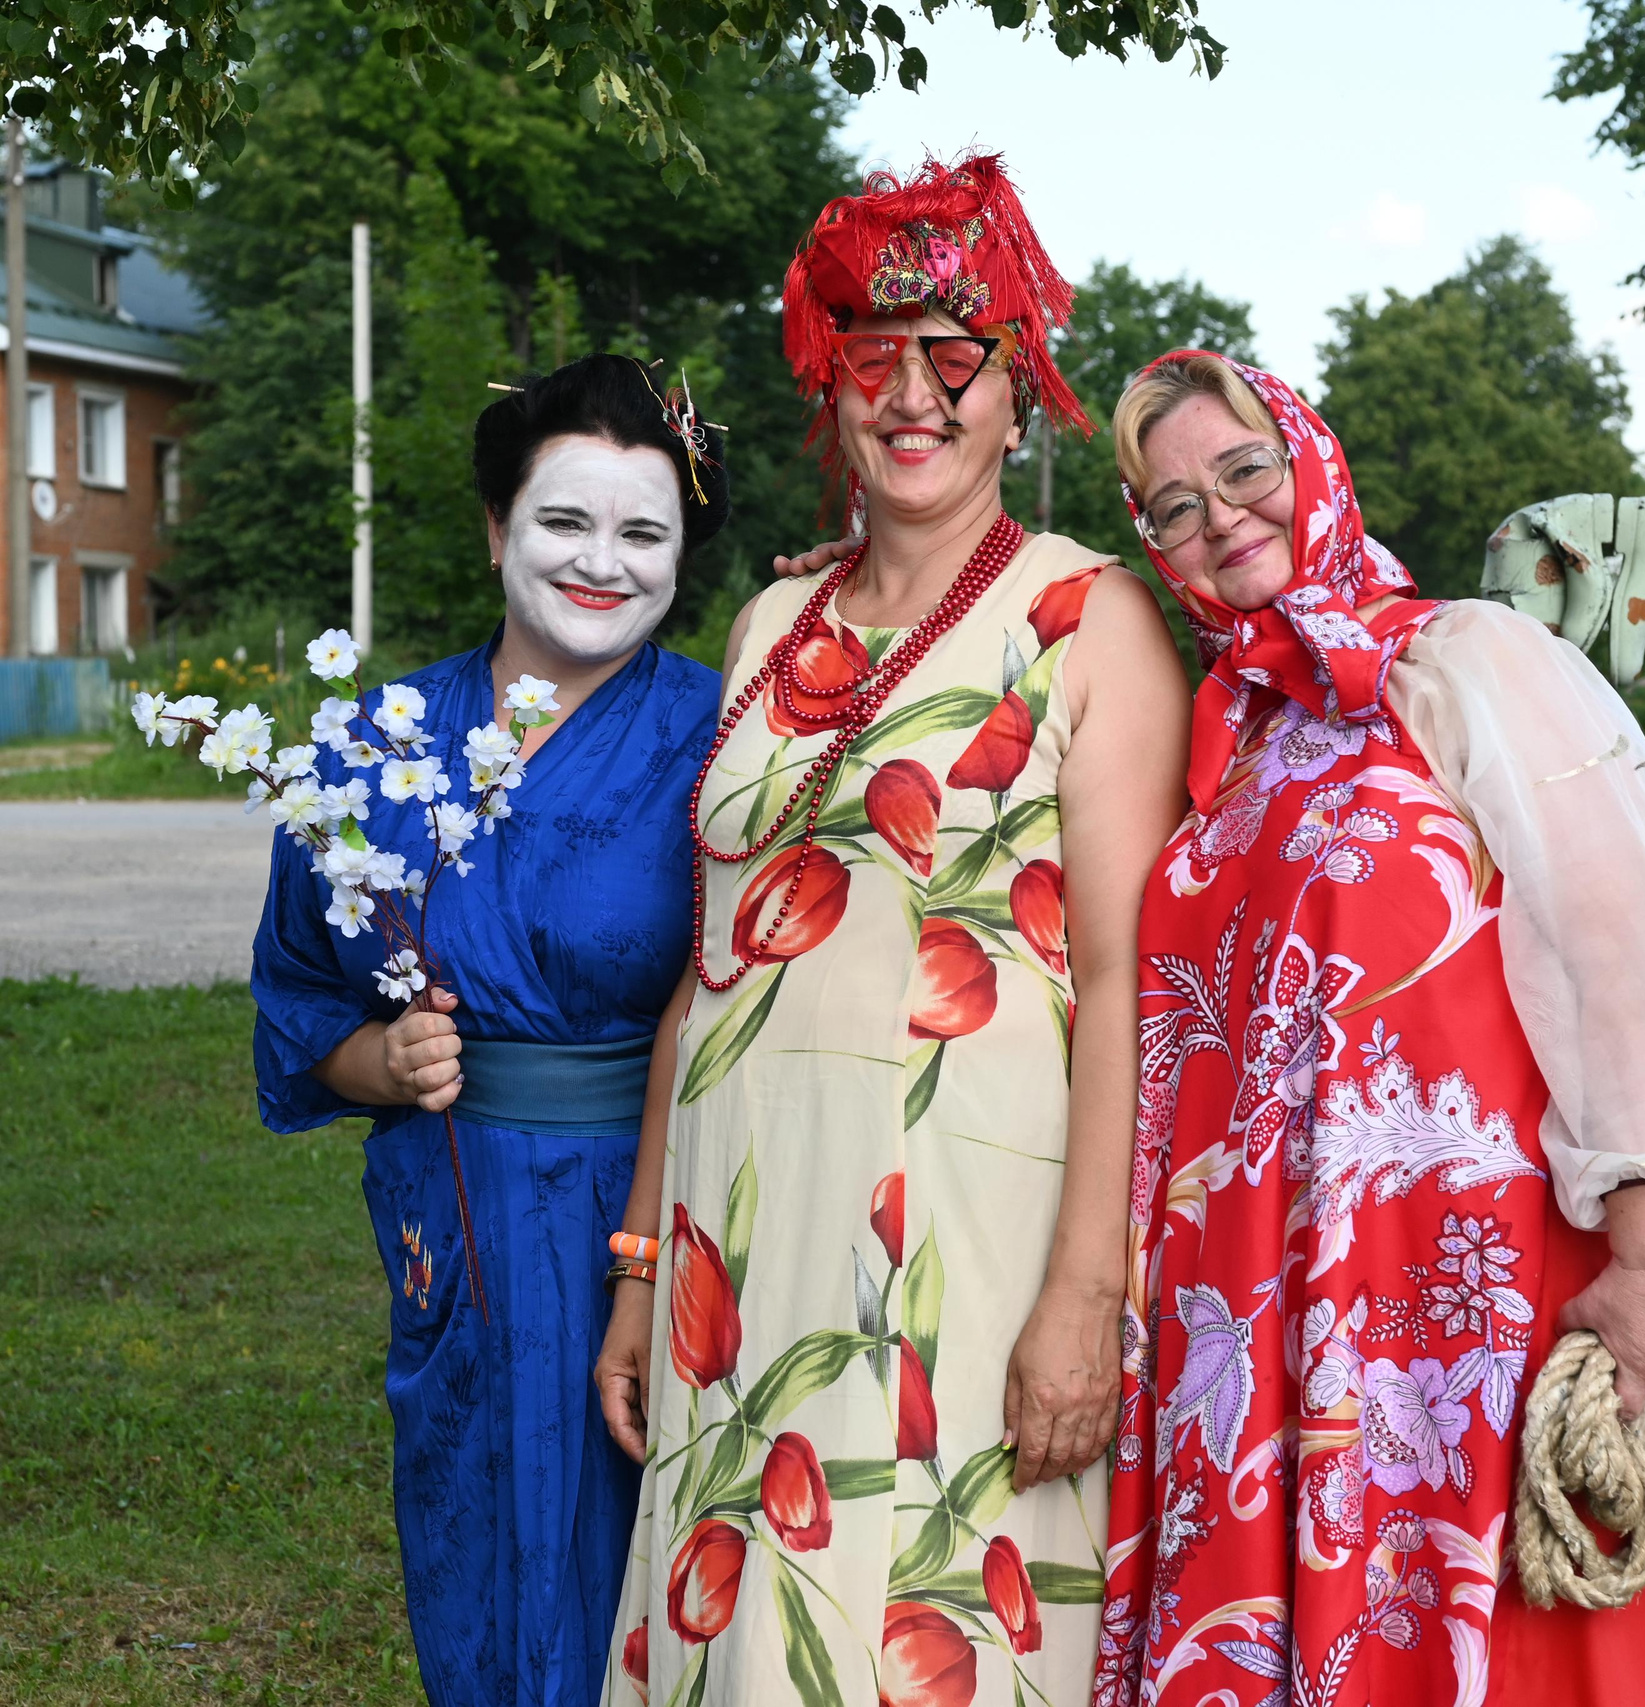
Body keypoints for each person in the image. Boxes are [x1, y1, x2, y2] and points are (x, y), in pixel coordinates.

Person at [1092, 352, 1645, 1707]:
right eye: (1174, 507)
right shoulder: (1224, 736)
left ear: (1312, 463)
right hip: (1267, 1301)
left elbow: (1619, 945)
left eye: (1244, 470)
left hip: (1472, 1287)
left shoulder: (1466, 656)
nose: (1220, 517)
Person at [590, 154, 1192, 1707]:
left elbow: (1125, 983)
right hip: (745, 1237)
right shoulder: (768, 623)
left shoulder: (1092, 621)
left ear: (1019, 395)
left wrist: (1088, 1295)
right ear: (829, 385)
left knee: (923, 1633)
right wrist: (646, 1268)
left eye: (957, 358)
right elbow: (703, 970)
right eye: (875, 356)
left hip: (963, 1246)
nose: (914, 394)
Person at [251, 353, 728, 1707]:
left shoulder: (726, 739)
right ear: (495, 527)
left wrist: (649, 1258)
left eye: (644, 533)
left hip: (658, 1212)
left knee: (653, 1576)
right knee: (473, 1551)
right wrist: (380, 1060)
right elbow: (299, 994)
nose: (602, 563)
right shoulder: (374, 744)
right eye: (564, 520)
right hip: (452, 1217)